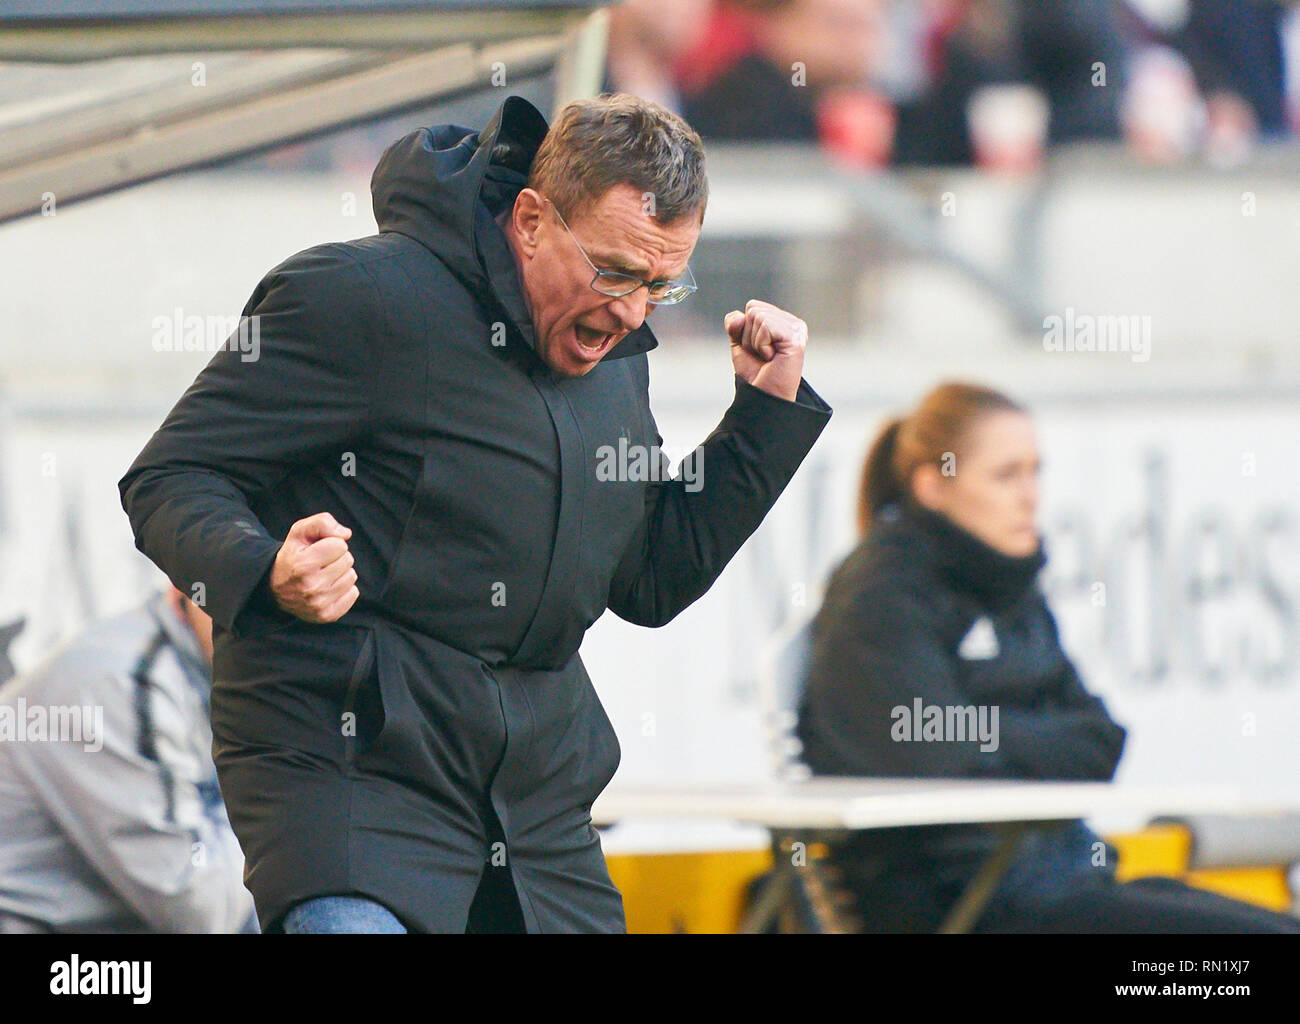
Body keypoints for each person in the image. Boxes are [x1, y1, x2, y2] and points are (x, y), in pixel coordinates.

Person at [118, 93, 833, 933]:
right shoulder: (357, 296)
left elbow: (648, 580)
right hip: (352, 786)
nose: (633, 313)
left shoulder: (613, 357)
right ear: (530, 219)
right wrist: (262, 566)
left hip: (535, 817)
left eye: (661, 286)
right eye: (612, 271)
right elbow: (169, 476)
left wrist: (761, 419)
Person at [795, 381, 1300, 933]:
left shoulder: (1012, 590)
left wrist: (997, 740)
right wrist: (1038, 738)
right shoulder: (879, 597)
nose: (1030, 495)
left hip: (1063, 884)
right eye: (1006, 475)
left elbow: (1101, 740)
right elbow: (932, 746)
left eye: (1036, 471)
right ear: (931, 486)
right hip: (974, 907)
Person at [0, 587, 256, 933]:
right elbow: (198, 907)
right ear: (183, 581)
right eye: (254, 587)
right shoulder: (123, 680)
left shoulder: (213, 669)